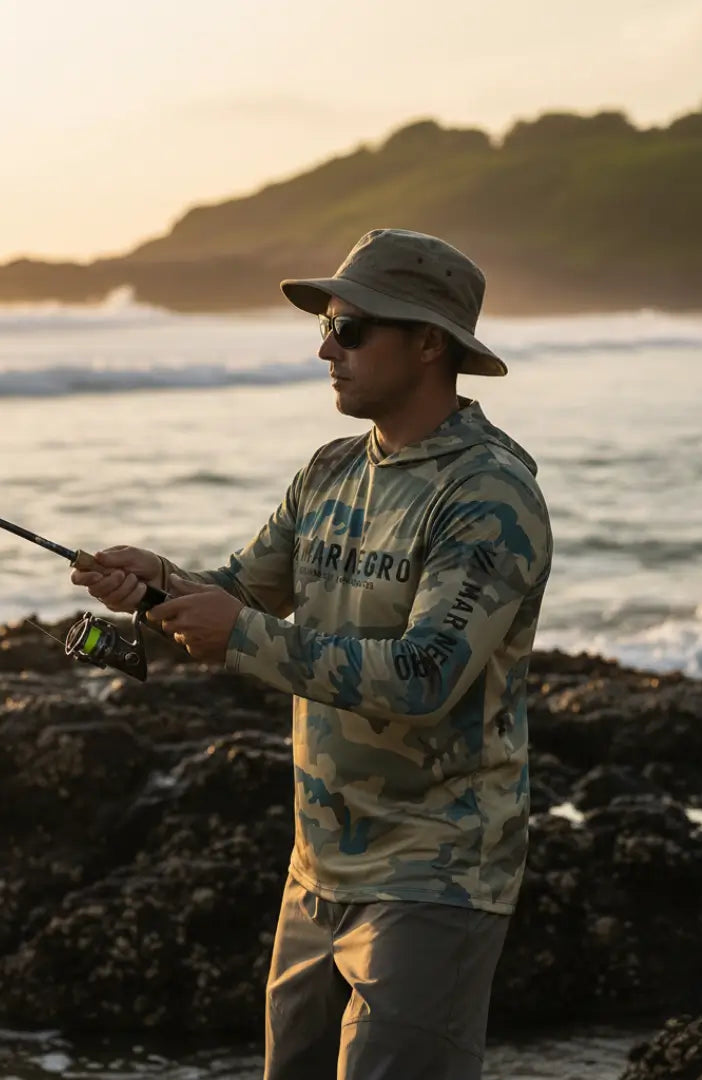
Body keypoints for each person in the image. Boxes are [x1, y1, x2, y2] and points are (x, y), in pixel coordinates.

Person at [70, 228, 553, 1080]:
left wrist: (241, 634)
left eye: (352, 328)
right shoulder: (330, 470)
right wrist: (155, 585)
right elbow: (247, 592)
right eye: (326, 325)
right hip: (315, 869)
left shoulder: (488, 494)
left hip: (435, 874)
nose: (326, 347)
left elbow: (425, 676)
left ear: (430, 341)